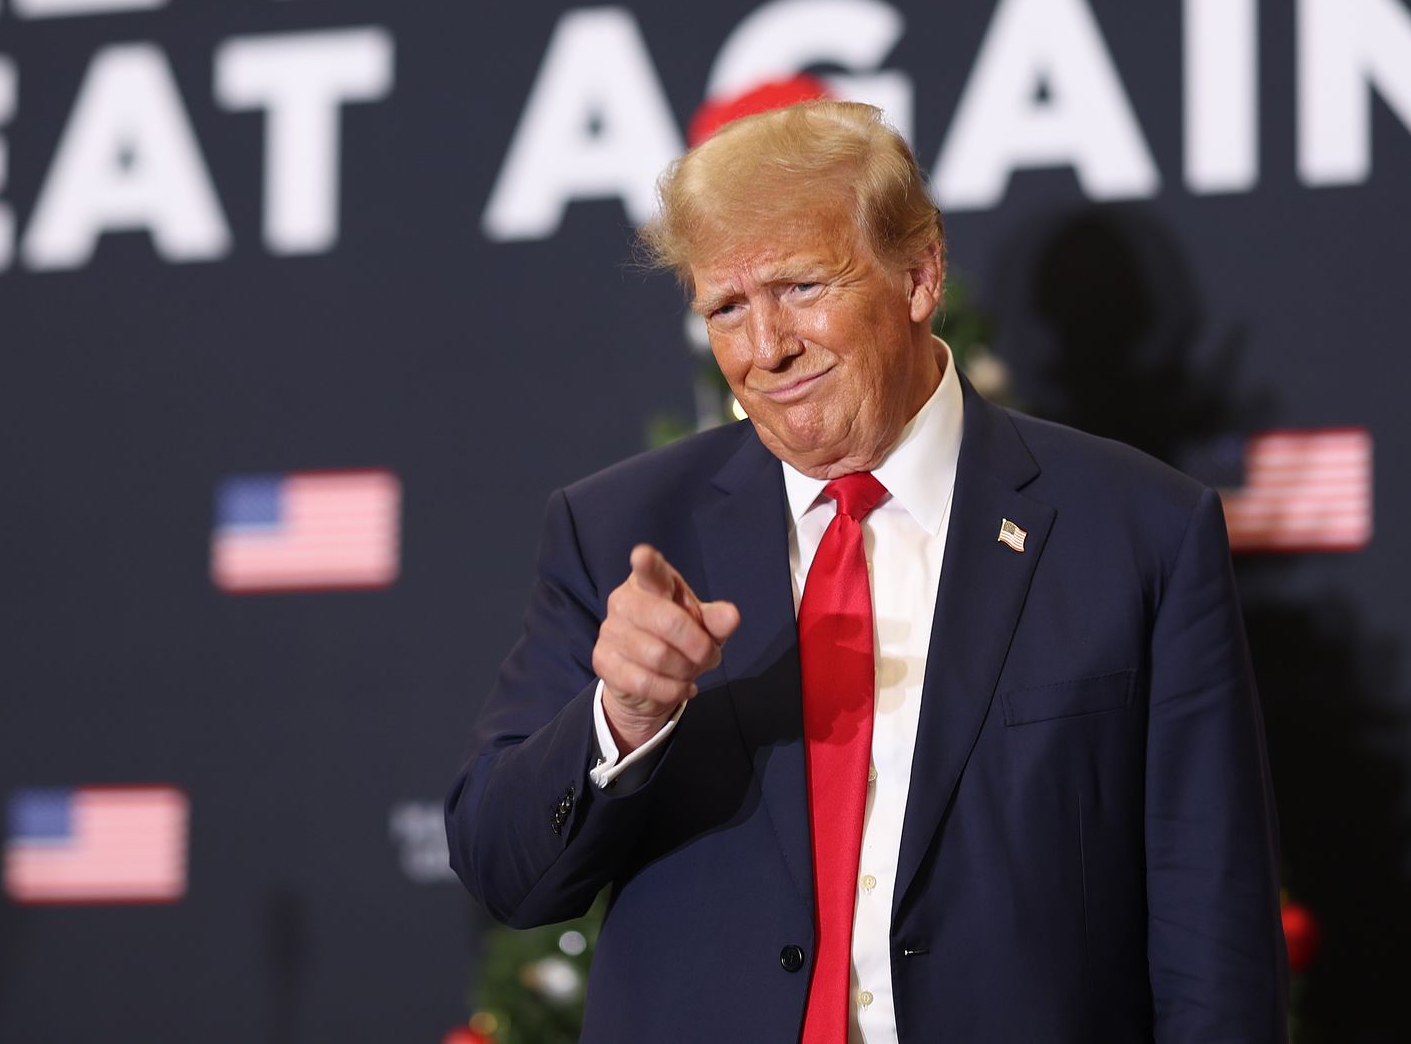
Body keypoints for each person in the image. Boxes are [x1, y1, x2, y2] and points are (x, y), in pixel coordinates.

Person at [445, 101, 1286, 1043]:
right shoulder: (620, 531)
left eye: (803, 288)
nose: (767, 349)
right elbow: (503, 871)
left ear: (921, 274)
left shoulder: (1138, 531)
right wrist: (621, 721)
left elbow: (1213, 935)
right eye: (727, 308)